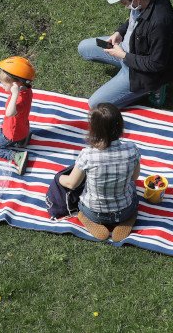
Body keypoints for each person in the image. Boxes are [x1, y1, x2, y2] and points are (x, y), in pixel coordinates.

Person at [78, 0, 173, 109]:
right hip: (127, 48)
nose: (123, 6)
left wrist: (122, 55)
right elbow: (133, 19)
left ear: (135, 0)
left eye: (123, 2)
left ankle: (155, 86)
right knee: (83, 47)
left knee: (95, 104)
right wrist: (120, 32)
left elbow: (156, 64)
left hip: (145, 72)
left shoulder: (159, 24)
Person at [59, 103, 140, 242]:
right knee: (132, 188)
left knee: (84, 188)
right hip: (124, 209)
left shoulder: (87, 154)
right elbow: (134, 177)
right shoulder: (132, 149)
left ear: (94, 129)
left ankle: (86, 218)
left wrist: (59, 178)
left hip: (94, 212)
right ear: (120, 125)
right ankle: (127, 219)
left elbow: (72, 183)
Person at [0, 56, 35, 175]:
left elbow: (9, 113)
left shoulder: (18, 99)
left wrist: (14, 94)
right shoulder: (27, 90)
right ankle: (22, 140)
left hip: (11, 133)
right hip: (21, 127)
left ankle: (17, 156)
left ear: (15, 85)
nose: (2, 87)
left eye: (4, 84)